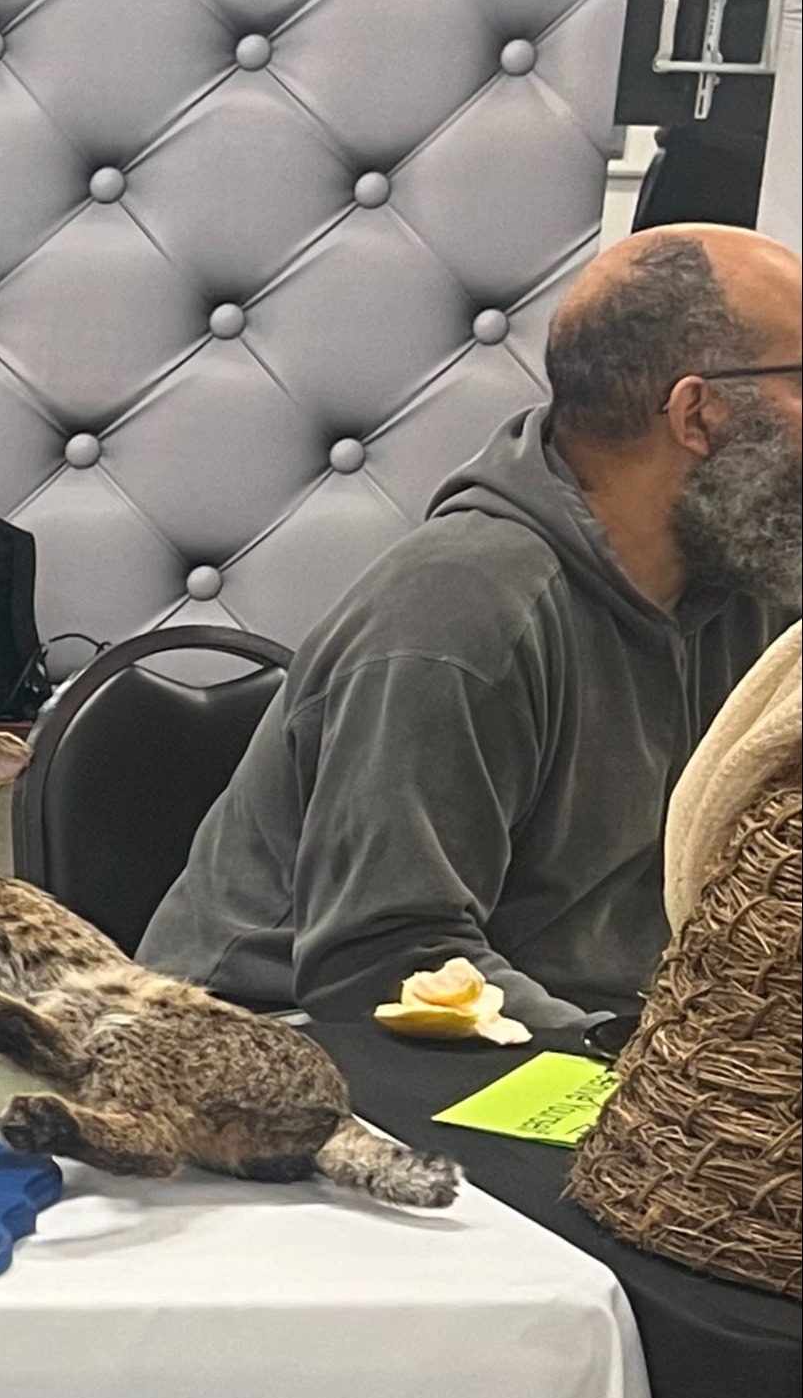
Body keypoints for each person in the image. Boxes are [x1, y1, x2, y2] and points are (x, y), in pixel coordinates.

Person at [143, 223, 801, 1037]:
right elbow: (385, 963)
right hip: (275, 1052)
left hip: (583, 1040)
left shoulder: (753, 588)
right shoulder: (454, 621)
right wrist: (644, 1076)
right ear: (695, 414)